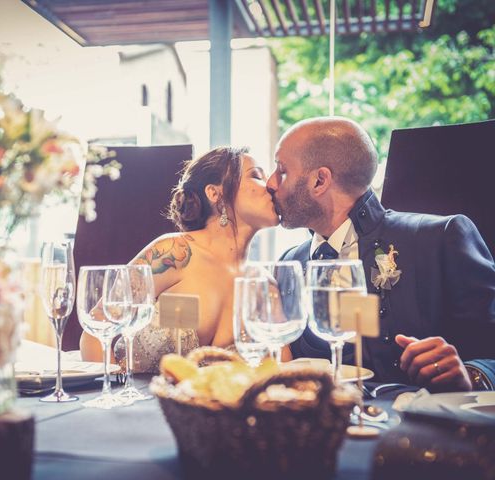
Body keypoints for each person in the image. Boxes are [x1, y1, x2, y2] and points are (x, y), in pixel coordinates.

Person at [266, 116, 495, 392]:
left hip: (422, 429)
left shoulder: (440, 238)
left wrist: (471, 374)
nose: (270, 182)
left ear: (320, 181)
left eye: (281, 170)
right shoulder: (290, 263)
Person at [79, 146, 288, 372]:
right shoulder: (174, 253)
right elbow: (95, 332)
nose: (270, 186)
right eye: (256, 175)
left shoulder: (265, 286)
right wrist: (117, 393)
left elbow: (283, 370)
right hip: (134, 402)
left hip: (211, 406)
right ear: (215, 193)